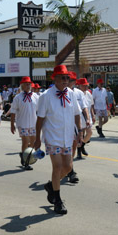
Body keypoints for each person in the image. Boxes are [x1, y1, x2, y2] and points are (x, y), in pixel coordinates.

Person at [34, 65, 82, 215]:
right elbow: (40, 119)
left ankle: (51, 186)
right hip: (52, 137)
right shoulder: (46, 96)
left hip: (67, 136)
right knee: (58, 166)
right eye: (63, 77)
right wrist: (37, 139)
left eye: (67, 78)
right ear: (54, 78)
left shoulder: (72, 95)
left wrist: (79, 132)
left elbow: (76, 113)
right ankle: (58, 200)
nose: (66, 80)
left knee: (67, 167)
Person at [10, 77, 39, 170]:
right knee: (25, 141)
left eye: (29, 84)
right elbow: (13, 111)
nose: (28, 85)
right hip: (22, 123)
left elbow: (40, 110)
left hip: (33, 123)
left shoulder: (35, 96)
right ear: (22, 85)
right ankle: (26, 162)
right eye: (26, 84)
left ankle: (24, 155)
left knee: (33, 143)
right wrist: (12, 124)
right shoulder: (18, 97)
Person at [68, 72, 90, 162]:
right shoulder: (61, 93)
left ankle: (79, 151)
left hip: (78, 118)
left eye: (72, 80)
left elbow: (84, 107)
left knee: (79, 137)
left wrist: (88, 118)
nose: (69, 82)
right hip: (66, 121)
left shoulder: (78, 93)